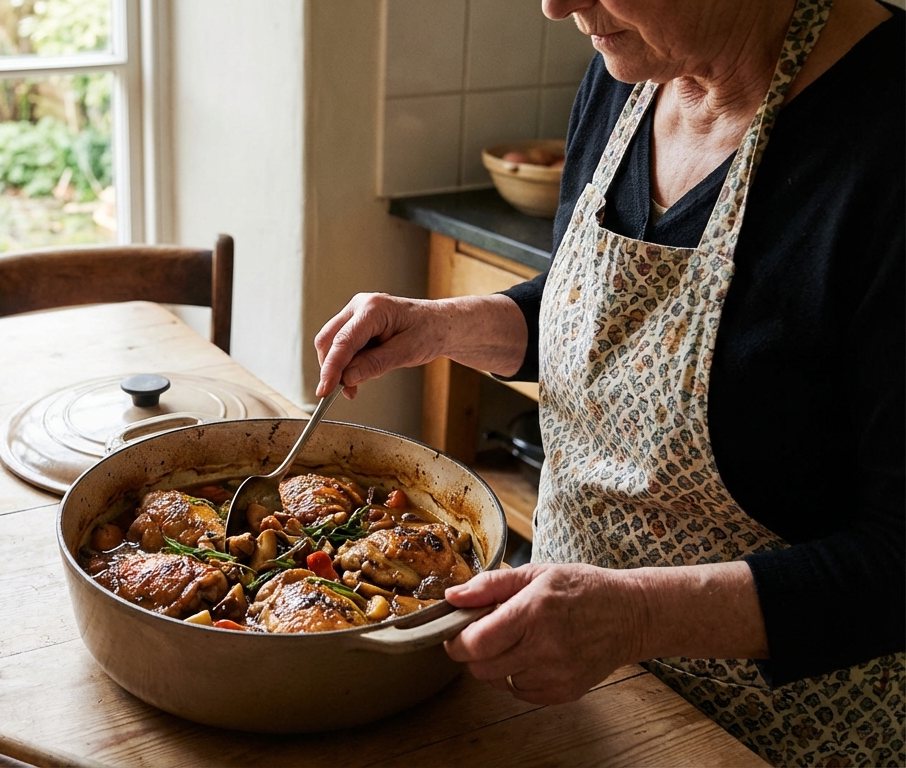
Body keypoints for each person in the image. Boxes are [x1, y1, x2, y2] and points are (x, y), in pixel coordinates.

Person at [314, 0, 903, 764]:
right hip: (567, 683)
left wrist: (633, 619)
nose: (557, 5)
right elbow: (604, 318)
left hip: (773, 734)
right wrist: (444, 325)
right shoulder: (629, 68)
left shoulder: (892, 140)